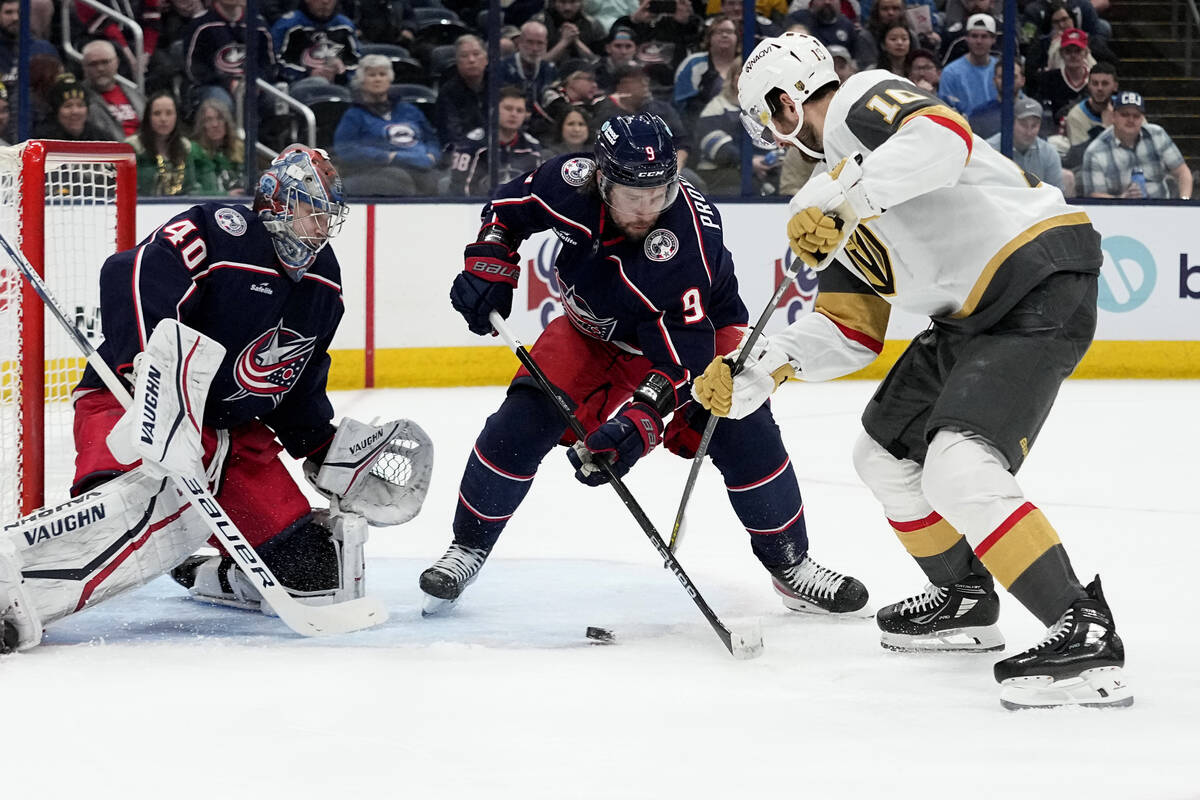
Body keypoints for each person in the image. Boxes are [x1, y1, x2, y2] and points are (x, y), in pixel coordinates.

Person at [704, 32, 1132, 709]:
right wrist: (759, 367)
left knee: (958, 464)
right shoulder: (822, 195)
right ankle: (965, 595)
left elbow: (943, 139)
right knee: (882, 454)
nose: (772, 137)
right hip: (969, 315)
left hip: (1037, 276)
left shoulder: (855, 100)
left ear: (785, 103)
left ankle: (1082, 626)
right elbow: (852, 328)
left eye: (765, 119)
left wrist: (846, 204)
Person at [421, 112, 868, 620]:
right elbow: (505, 210)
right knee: (518, 426)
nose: (647, 209)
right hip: (590, 334)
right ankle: (469, 547)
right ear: (601, 179)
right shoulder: (567, 183)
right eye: (633, 195)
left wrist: (640, 424)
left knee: (743, 428)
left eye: (659, 193)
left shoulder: (686, 242)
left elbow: (686, 364)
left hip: (700, 341)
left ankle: (791, 566)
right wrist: (489, 261)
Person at [0, 146, 422, 653]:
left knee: (312, 569)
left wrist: (318, 443)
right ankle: (15, 583)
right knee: (129, 506)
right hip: (139, 403)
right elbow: (128, 272)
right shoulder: (220, 230)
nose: (319, 228)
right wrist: (146, 373)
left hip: (232, 435)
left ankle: (213, 573)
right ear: (276, 202)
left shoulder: (323, 282)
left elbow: (299, 372)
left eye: (328, 218)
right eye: (311, 212)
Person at [333, 53, 441, 196]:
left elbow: (431, 139)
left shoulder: (409, 110)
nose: (378, 79)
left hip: (419, 166)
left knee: (441, 181)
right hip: (375, 170)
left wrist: (432, 156)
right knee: (399, 179)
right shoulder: (354, 114)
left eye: (382, 74)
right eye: (372, 75)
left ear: (390, 79)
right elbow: (345, 149)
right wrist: (388, 157)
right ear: (362, 81)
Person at [1080, 91, 1192, 200]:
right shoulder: (1095, 151)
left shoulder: (1157, 135)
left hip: (1161, 210)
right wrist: (1121, 200)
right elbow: (1094, 196)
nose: (1131, 120)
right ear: (1113, 116)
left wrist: (1185, 201)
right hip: (1117, 214)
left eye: (1136, 115)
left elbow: (1183, 172)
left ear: (1142, 118)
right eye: (1125, 114)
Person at [447, 86, 543, 196]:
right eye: (508, 108)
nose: (514, 114)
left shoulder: (532, 148)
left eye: (519, 111)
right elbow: (459, 190)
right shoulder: (471, 145)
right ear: (494, 110)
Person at [126, 90, 209, 196]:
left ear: (176, 117)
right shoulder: (133, 147)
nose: (163, 119)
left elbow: (191, 188)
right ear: (148, 118)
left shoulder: (185, 146)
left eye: (169, 113)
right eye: (157, 113)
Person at [986, 95, 1068, 194]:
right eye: (1023, 125)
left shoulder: (1049, 153)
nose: (1029, 132)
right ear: (1011, 122)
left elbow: (1056, 196)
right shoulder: (990, 150)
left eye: (1034, 126)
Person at [271, 0, 361, 86]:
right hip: (296, 85)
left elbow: (355, 61)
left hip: (339, 84)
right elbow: (276, 61)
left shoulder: (345, 26)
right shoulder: (287, 25)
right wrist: (308, 73)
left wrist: (342, 71)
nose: (325, 2)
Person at [80, 39, 147, 141]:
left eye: (105, 62)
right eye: (93, 64)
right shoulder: (79, 100)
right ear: (84, 67)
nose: (100, 68)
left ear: (117, 63)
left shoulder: (136, 94)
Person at [938, 13, 997, 114]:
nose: (979, 41)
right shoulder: (950, 73)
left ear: (993, 39)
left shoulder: (1002, 70)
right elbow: (946, 109)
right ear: (966, 38)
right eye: (974, 36)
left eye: (984, 36)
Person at [191, 97, 247, 194]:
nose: (215, 124)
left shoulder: (239, 148)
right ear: (202, 124)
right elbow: (192, 192)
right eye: (208, 120)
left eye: (220, 118)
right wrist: (226, 196)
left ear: (227, 122)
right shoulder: (194, 152)